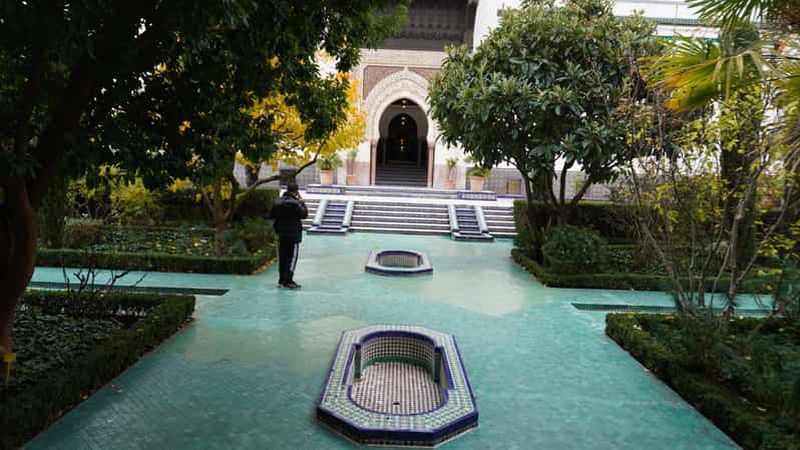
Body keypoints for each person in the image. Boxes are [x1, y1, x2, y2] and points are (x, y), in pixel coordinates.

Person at [269, 182, 308, 289]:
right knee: (292, 257)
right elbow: (304, 214)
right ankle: (289, 280)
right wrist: (302, 202)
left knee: (283, 257)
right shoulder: (296, 203)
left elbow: (271, 215)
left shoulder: (277, 202)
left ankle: (282, 280)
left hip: (281, 233)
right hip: (293, 234)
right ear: (296, 192)